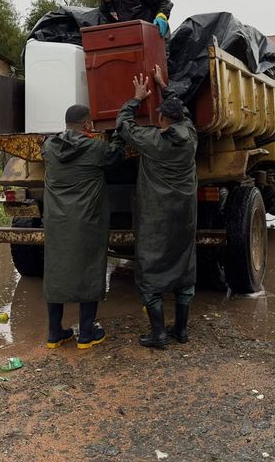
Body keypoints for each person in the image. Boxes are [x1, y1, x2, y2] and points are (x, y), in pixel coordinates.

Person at [116, 65, 198, 348]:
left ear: (161, 117)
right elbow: (184, 112)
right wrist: (164, 85)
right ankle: (182, 331)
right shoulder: (191, 136)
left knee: (150, 273)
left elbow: (123, 124)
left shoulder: (152, 141)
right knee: (185, 270)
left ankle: (159, 334)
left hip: (156, 217)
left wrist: (137, 98)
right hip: (185, 215)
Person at [42, 104, 125, 349]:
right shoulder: (95, 148)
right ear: (88, 124)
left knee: (55, 273)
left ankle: (54, 334)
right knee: (89, 270)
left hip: (57, 223)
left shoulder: (50, 147)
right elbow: (117, 155)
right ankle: (86, 335)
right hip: (87, 222)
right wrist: (118, 131)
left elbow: (46, 148)